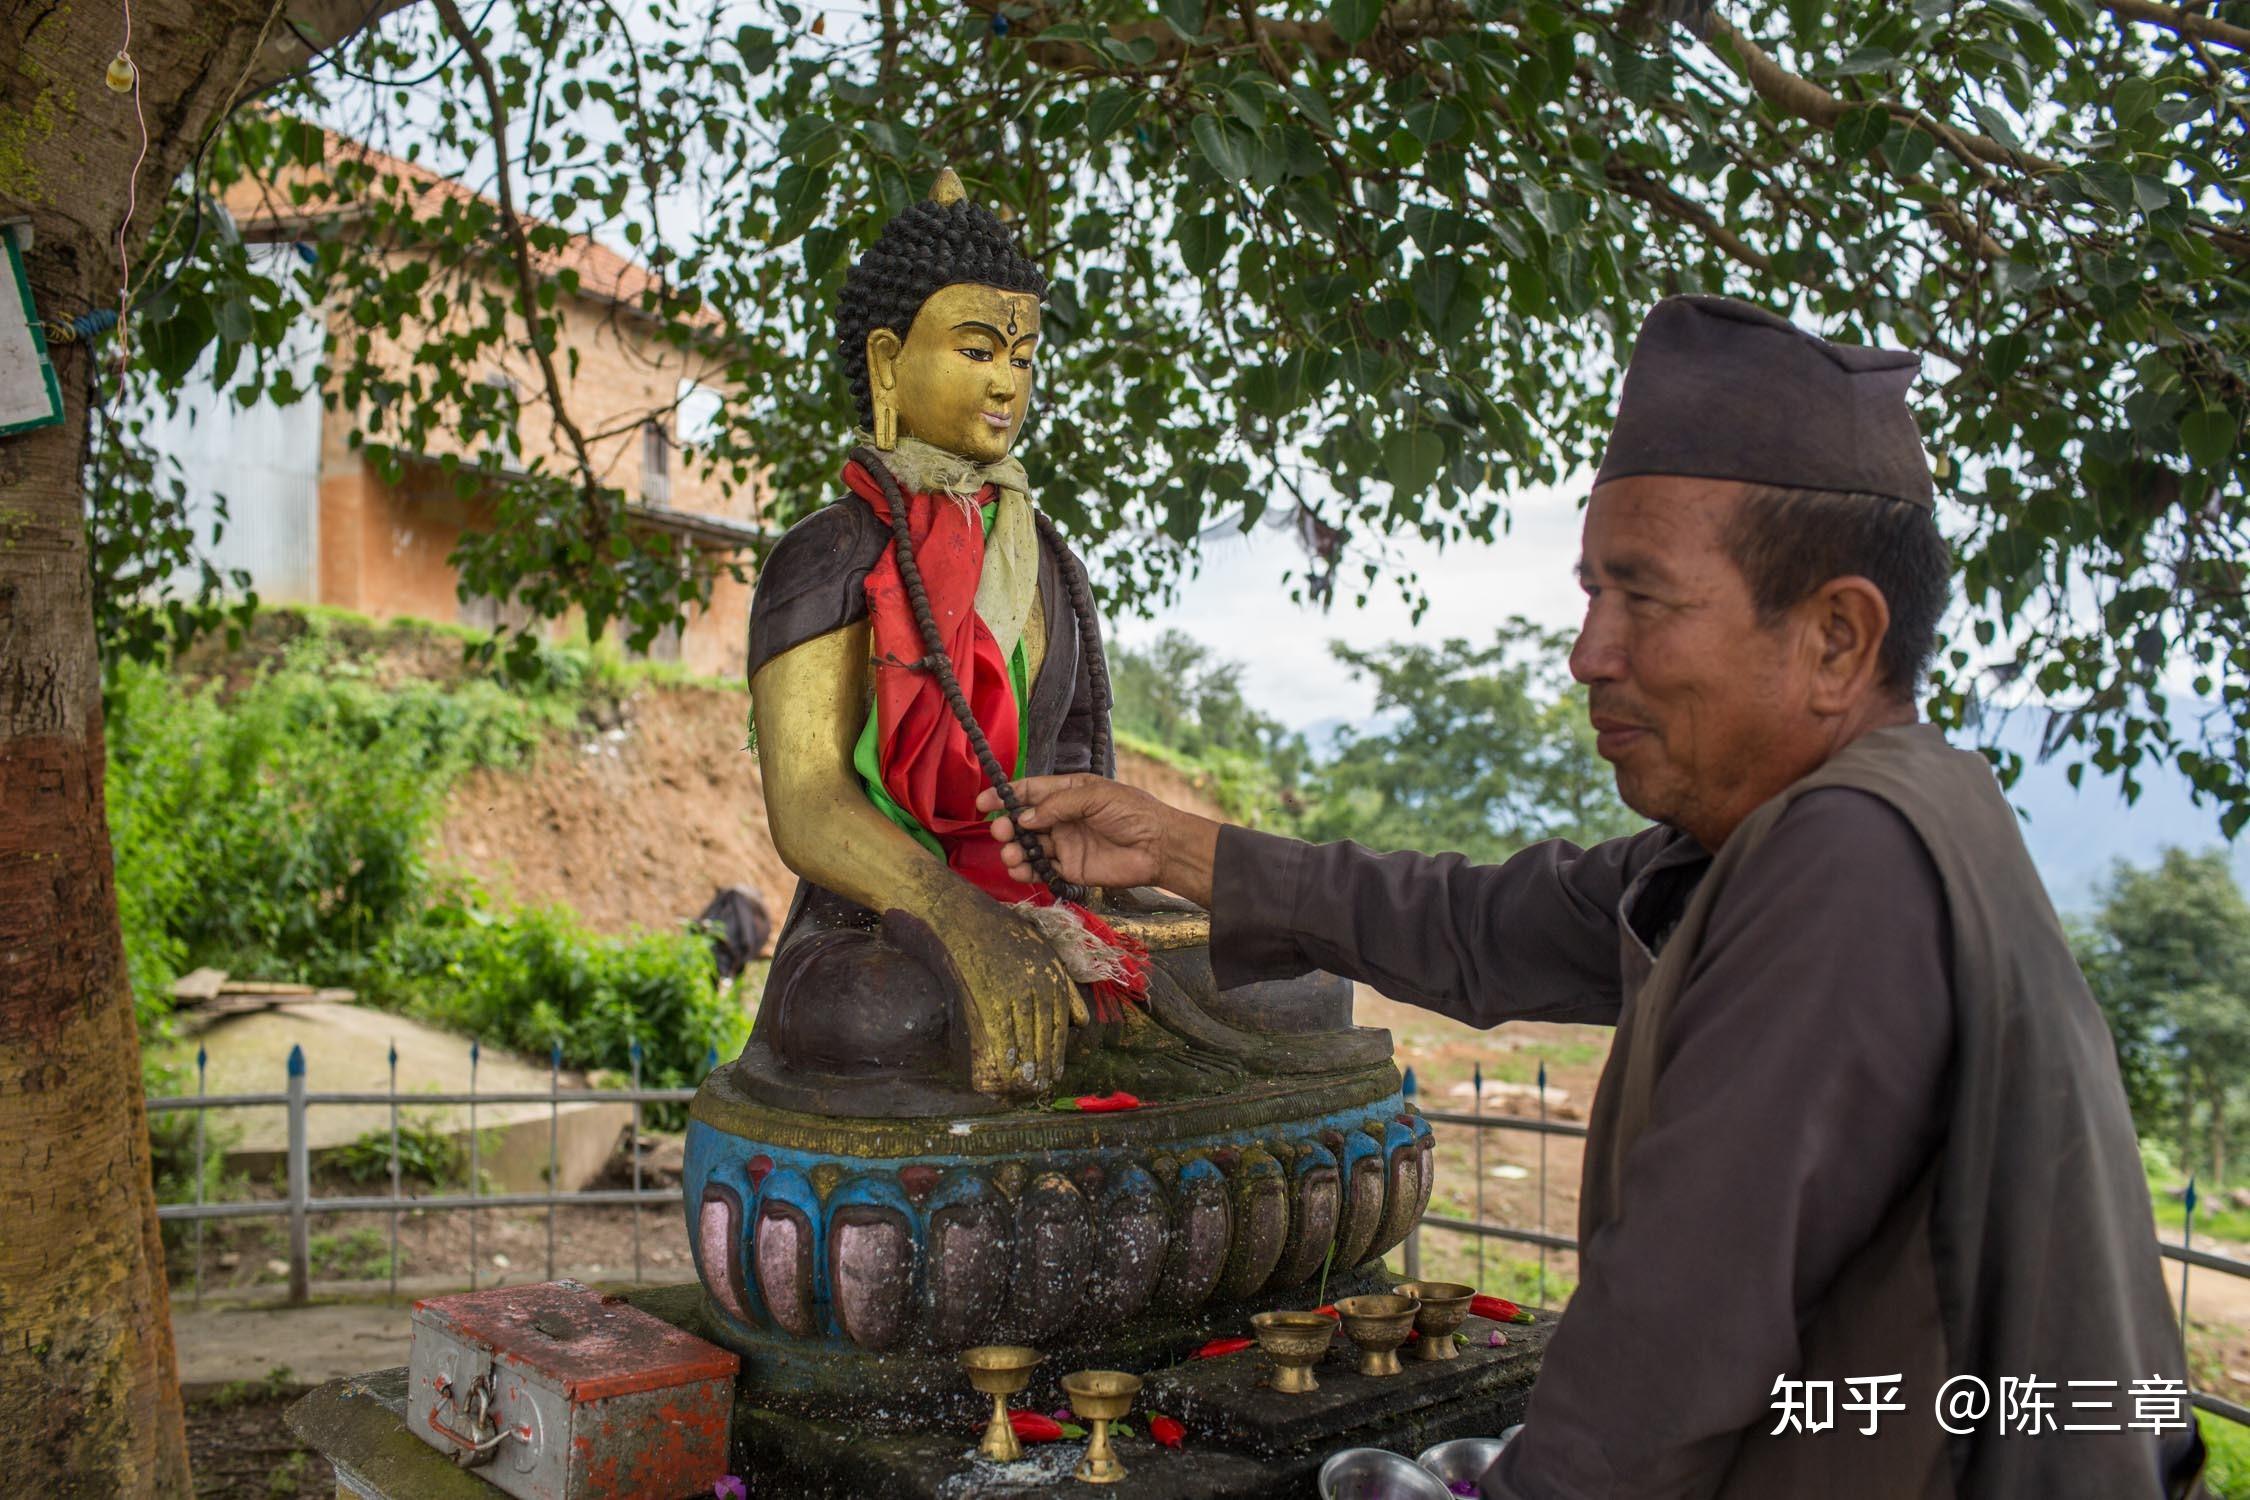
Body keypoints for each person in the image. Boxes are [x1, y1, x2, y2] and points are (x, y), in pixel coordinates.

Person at [979, 296, 2207, 1499]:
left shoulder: (1851, 860)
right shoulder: (1768, 839)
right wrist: (1174, 846)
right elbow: (1478, 925)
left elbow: (1658, 1365)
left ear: (1837, 638)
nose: (1589, 653)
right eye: (1590, 595)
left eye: (1645, 598)